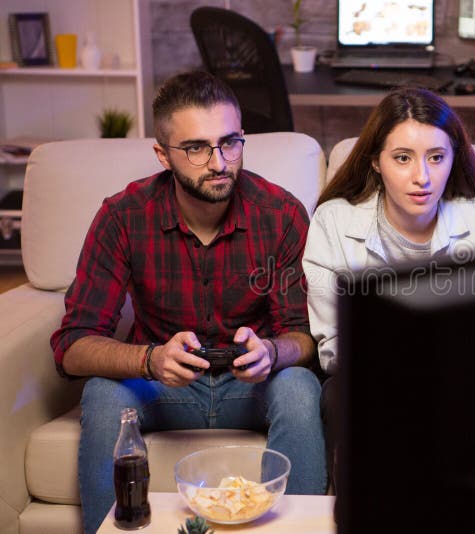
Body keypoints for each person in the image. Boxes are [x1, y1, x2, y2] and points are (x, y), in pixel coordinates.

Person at [50, 71, 326, 534]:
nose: (218, 162)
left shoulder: (280, 213)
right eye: (196, 147)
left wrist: (272, 351)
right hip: (164, 386)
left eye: (230, 142)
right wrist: (150, 359)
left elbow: (305, 336)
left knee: (299, 385)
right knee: (102, 391)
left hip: (250, 386)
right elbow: (72, 345)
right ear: (163, 154)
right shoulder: (124, 215)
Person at [302, 86, 475, 487]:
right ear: (376, 162)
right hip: (365, 379)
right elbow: (332, 346)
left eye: (436, 157)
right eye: (403, 158)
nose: (422, 177)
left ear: (453, 159)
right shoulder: (334, 221)